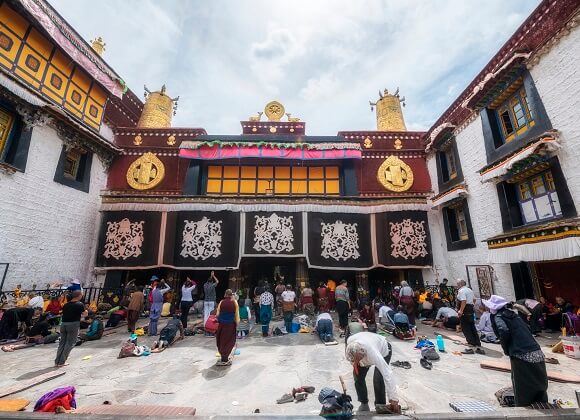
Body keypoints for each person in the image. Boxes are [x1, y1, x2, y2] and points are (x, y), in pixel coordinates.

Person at [483, 295, 548, 406]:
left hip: (520, 353)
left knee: (522, 383)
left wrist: (506, 348)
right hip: (536, 350)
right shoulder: (514, 315)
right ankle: (542, 403)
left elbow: (503, 331)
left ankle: (524, 407)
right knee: (538, 380)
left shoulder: (499, 316)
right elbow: (526, 328)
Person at [345, 332, 400, 414]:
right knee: (358, 376)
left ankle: (380, 405)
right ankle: (364, 403)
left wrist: (393, 398)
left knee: (378, 378)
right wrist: (355, 363)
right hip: (366, 344)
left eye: (358, 359)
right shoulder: (350, 342)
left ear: (362, 354)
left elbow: (387, 374)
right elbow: (352, 356)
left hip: (383, 349)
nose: (357, 362)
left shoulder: (373, 353)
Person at [55, 290, 86, 367]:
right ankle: (62, 362)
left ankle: (57, 361)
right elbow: (84, 314)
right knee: (70, 343)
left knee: (62, 343)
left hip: (64, 324)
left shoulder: (66, 304)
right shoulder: (80, 304)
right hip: (73, 324)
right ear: (79, 296)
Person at [456, 279, 485, 355]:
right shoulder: (469, 290)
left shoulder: (461, 291)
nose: (457, 286)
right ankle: (477, 342)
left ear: (460, 284)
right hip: (470, 309)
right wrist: (471, 305)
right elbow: (474, 299)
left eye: (457, 284)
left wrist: (461, 310)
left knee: (465, 326)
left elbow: (463, 301)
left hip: (465, 310)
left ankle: (471, 342)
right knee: (472, 326)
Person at [216, 289, 239, 365]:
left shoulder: (221, 302)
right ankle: (225, 358)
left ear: (225, 294)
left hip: (222, 325)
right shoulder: (234, 302)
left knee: (221, 340)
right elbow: (236, 315)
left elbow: (217, 315)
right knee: (229, 341)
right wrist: (237, 323)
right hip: (230, 325)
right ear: (231, 295)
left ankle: (223, 357)